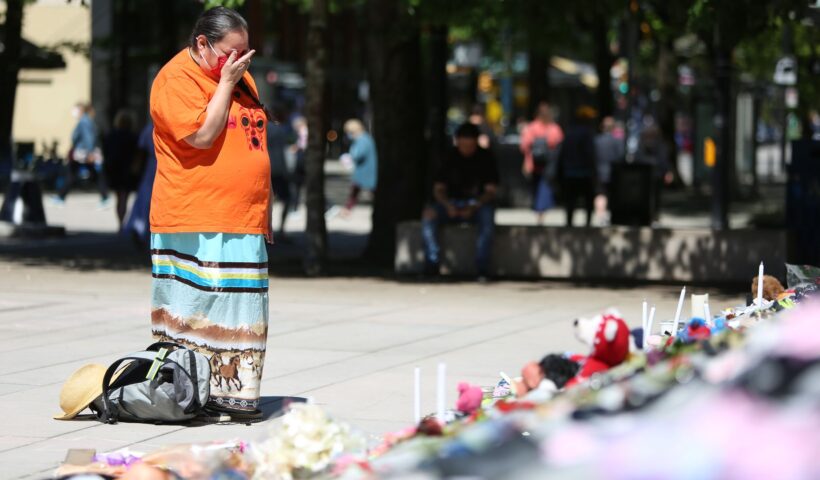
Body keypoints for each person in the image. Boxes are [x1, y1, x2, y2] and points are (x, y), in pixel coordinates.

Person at [149, 7, 271, 419]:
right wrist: (226, 83)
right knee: (197, 312)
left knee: (240, 312)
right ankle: (188, 396)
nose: (238, 61)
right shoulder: (176, 78)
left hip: (241, 217)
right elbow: (201, 135)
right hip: (195, 216)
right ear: (202, 43)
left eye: (244, 53)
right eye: (228, 53)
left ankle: (235, 397)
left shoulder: (237, 75)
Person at [422, 122, 499, 280]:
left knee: (487, 220)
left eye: (470, 146)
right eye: (463, 145)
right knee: (429, 216)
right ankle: (432, 264)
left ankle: (482, 268)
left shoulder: (485, 158)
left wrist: (475, 205)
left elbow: (491, 191)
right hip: (450, 203)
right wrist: (446, 204)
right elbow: (438, 189)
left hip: (477, 205)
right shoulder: (448, 157)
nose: (467, 150)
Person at [53, 104, 110, 206]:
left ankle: (61, 197)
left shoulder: (84, 121)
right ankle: (61, 196)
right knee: (93, 174)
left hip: (84, 153)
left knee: (75, 173)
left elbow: (88, 138)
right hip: (85, 153)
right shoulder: (86, 120)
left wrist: (90, 153)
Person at [520, 102, 564, 224]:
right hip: (547, 165)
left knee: (537, 187)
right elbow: (559, 143)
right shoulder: (554, 128)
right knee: (544, 187)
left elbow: (524, 145)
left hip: (533, 164)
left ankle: (539, 210)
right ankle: (540, 211)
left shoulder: (531, 127)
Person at [557, 106, 598, 227]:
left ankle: (569, 223)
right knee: (588, 200)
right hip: (584, 172)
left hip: (570, 172)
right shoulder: (587, 134)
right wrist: (593, 171)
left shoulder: (569, 133)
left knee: (570, 200)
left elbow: (562, 153)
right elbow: (590, 154)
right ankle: (587, 224)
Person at [102, 110, 141, 229]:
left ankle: (120, 222)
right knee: (124, 197)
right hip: (127, 170)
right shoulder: (133, 136)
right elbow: (138, 154)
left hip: (115, 169)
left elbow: (106, 151)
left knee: (119, 197)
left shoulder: (111, 135)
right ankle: (121, 222)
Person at [123, 120, 156, 247]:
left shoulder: (149, 127)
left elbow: (141, 150)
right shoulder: (154, 127)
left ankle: (140, 229)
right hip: (158, 166)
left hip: (152, 167)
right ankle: (141, 230)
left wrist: (136, 167)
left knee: (145, 199)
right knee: (148, 200)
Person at [635, 122, 673, 222]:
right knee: (656, 196)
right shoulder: (660, 144)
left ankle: (647, 215)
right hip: (656, 173)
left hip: (645, 173)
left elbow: (637, 158)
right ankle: (654, 215)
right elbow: (664, 159)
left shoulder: (642, 143)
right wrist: (667, 172)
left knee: (645, 196)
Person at [339, 119, 377, 217]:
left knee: (363, 190)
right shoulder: (363, 139)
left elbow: (358, 154)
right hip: (364, 170)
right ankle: (347, 209)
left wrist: (348, 158)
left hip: (365, 170)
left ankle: (347, 210)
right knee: (356, 190)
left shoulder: (363, 139)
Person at [267, 107, 293, 236]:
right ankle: (281, 229)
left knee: (266, 202)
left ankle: (265, 230)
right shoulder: (282, 130)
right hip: (280, 169)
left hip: (266, 168)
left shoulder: (264, 129)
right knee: (286, 199)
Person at [593, 116, 624, 225]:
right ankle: (610, 216)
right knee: (612, 195)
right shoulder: (617, 141)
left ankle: (600, 217)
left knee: (600, 194)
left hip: (599, 172)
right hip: (613, 172)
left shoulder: (597, 141)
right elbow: (620, 156)